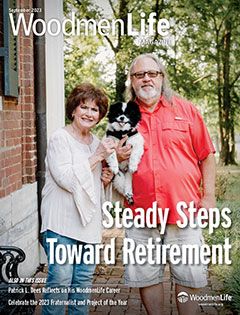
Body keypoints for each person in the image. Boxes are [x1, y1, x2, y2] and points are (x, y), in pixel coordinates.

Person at [122, 53, 216, 315]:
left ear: (162, 77)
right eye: (140, 75)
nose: (146, 79)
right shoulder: (123, 117)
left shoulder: (186, 110)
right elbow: (114, 162)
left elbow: (206, 155)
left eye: (152, 73)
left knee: (189, 276)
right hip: (141, 212)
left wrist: (208, 198)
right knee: (147, 276)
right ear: (132, 81)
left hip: (184, 209)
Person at [40, 83, 115, 315]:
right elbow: (66, 179)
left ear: (100, 116)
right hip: (61, 224)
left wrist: (104, 180)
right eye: (84, 107)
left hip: (88, 225)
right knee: (60, 281)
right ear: (73, 110)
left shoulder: (95, 143)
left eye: (95, 110)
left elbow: (91, 190)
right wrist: (97, 157)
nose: (89, 113)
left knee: (82, 283)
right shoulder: (59, 138)